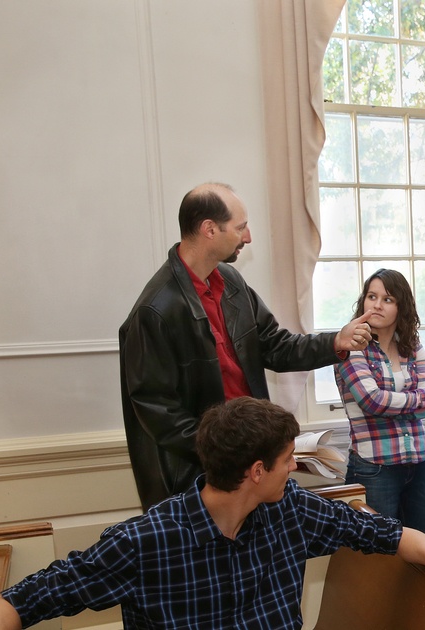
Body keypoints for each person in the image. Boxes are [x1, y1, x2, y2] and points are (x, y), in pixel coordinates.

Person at [0, 397, 425, 629]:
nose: (295, 468)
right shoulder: (144, 541)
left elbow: (385, 533)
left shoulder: (289, 509)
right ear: (256, 471)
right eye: (289, 460)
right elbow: (20, 602)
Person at [119, 183, 372, 510]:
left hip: (251, 463)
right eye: (240, 228)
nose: (248, 237)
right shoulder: (155, 310)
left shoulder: (232, 282)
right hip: (200, 479)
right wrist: (228, 453)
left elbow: (276, 346)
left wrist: (335, 341)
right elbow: (160, 414)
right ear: (210, 229)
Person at [335, 268, 425, 533]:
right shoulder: (350, 346)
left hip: (419, 463)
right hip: (375, 467)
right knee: (379, 552)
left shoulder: (412, 346)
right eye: (372, 297)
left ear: (401, 306)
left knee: (420, 547)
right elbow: (372, 402)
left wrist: (402, 403)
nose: (377, 305)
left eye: (388, 299)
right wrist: (423, 398)